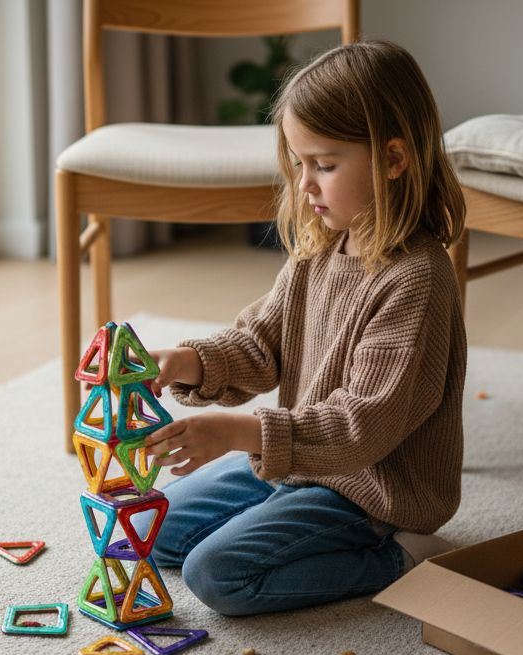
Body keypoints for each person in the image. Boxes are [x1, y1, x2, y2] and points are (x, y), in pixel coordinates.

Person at [142, 39, 466, 617]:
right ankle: (277, 518)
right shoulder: (320, 249)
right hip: (295, 462)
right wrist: (187, 362)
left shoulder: (417, 279)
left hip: (374, 494)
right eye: (298, 164)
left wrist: (236, 433)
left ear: (393, 160)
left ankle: (401, 558)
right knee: (152, 528)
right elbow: (261, 343)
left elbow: (361, 426)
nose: (304, 185)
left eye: (325, 164)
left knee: (216, 575)